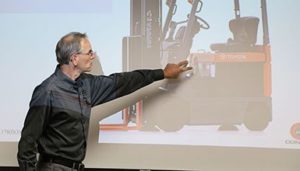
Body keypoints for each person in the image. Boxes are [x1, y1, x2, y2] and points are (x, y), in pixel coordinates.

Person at [17, 32, 192, 171]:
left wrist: (161, 73)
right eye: (89, 52)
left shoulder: (87, 85)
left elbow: (123, 81)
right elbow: (27, 141)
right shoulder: (48, 91)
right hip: (52, 167)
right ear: (74, 58)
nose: (93, 56)